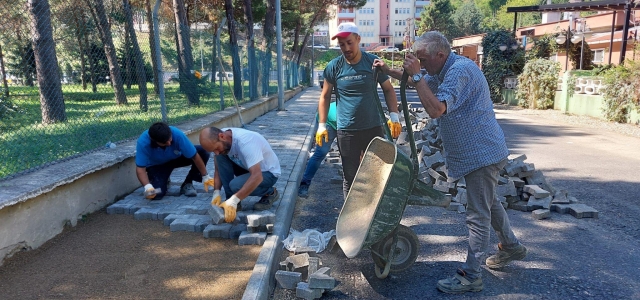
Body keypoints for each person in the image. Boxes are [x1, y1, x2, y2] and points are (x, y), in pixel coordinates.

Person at [373, 31, 527, 294]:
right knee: (489, 202)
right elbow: (418, 81)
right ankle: (511, 246)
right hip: (479, 151)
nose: (420, 66)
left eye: (422, 60)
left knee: (478, 215)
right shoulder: (442, 69)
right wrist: (390, 70)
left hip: (482, 153)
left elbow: (435, 109)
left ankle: (471, 276)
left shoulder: (460, 71)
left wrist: (417, 74)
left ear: (440, 55)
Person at [318, 22, 402, 199]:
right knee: (350, 176)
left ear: (358, 39)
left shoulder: (372, 62)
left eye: (349, 42)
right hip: (347, 131)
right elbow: (325, 96)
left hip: (373, 127)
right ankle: (351, 220)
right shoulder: (334, 66)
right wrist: (322, 124)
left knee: (377, 174)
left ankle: (373, 214)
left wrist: (394, 116)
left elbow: (388, 89)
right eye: (342, 44)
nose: (346, 48)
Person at [199, 126, 280, 223]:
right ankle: (231, 201)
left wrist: (234, 200)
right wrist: (216, 192)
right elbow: (218, 169)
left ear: (222, 136)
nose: (216, 152)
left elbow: (257, 176)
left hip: (267, 173)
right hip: (247, 167)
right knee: (220, 156)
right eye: (213, 151)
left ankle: (270, 192)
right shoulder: (222, 137)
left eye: (216, 148)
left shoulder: (246, 141)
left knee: (235, 185)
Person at [135, 122, 214, 200]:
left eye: (170, 139)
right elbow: (140, 169)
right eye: (165, 143)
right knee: (156, 194)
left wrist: (205, 176)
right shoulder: (143, 143)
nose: (169, 143)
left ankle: (188, 183)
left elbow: (195, 157)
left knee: (203, 151)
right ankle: (161, 180)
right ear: (155, 141)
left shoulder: (177, 134)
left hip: (176, 158)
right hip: (157, 165)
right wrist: (147, 187)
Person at [298, 101, 337, 198]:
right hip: (327, 119)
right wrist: (321, 126)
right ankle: (305, 184)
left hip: (342, 122)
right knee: (321, 153)